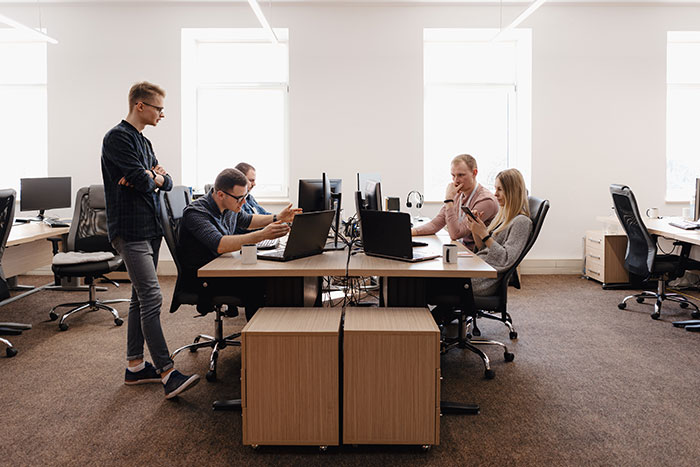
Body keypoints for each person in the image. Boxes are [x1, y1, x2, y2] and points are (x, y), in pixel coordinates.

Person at [101, 81, 200, 399]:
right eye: (159, 108)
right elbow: (145, 181)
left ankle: (134, 367)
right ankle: (167, 372)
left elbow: (163, 181)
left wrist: (152, 176)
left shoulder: (142, 141)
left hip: (149, 227)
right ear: (140, 106)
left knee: (139, 299)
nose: (162, 114)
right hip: (129, 230)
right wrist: (149, 177)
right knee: (152, 297)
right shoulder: (117, 137)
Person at [177, 168, 300, 320]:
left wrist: (277, 217)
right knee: (260, 283)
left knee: (272, 277)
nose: (243, 202)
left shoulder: (230, 206)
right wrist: (262, 235)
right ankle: (258, 338)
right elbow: (219, 244)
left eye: (245, 197)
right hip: (204, 278)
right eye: (240, 198)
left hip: (222, 266)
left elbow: (247, 220)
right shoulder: (196, 213)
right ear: (221, 194)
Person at [465, 168, 533, 296]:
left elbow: (506, 259)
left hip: (484, 279)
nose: (495, 194)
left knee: (430, 282)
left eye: (500, 189)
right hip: (480, 268)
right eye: (495, 189)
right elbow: (483, 248)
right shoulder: (503, 217)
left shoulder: (521, 222)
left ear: (512, 192)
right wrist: (476, 230)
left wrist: (484, 235)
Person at [412, 154, 499, 251]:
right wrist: (410, 232)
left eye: (461, 175)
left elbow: (456, 234)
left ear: (474, 173)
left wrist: (449, 200)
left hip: (478, 257)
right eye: (453, 175)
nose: (456, 180)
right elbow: (435, 224)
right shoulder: (458, 194)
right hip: (462, 251)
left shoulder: (486, 200)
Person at [234, 162, 270, 234]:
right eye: (251, 180)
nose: (254, 184)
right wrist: (274, 225)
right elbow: (245, 227)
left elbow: (264, 214)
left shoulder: (249, 198)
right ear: (240, 179)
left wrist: (283, 220)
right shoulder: (234, 201)